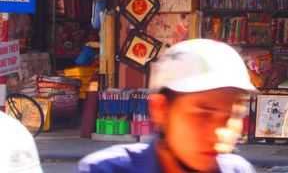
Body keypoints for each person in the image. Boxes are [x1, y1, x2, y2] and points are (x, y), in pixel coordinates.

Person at [77, 39, 257, 173]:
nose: (220, 134)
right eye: (203, 115)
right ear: (160, 109)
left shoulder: (237, 170)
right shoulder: (105, 170)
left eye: (232, 116)